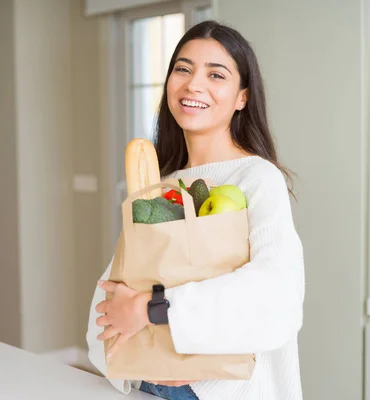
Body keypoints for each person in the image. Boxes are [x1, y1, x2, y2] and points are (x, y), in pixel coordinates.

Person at [86, 20, 305, 400]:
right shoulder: (159, 186)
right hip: (146, 384)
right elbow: (113, 292)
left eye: (215, 74)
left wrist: (153, 309)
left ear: (242, 97)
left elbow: (277, 290)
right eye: (182, 69)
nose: (193, 85)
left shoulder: (256, 178)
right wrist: (145, 352)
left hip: (222, 391)